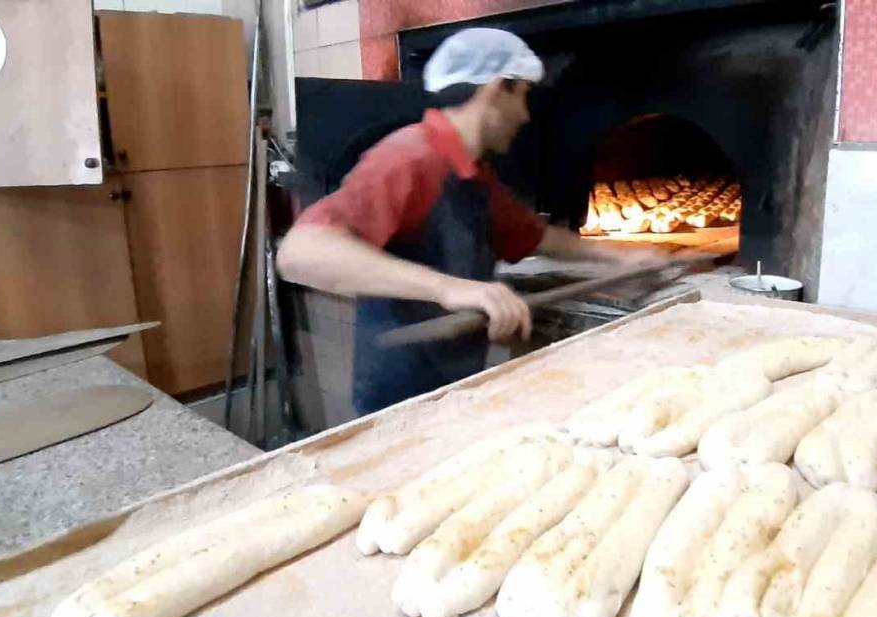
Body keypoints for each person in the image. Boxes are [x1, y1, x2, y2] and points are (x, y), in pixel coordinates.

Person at [278, 28, 665, 416]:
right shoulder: (410, 157)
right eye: (524, 97)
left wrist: (620, 257)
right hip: (400, 397)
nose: (526, 115)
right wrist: (449, 289)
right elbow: (302, 252)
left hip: (455, 385)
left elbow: (536, 237)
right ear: (497, 89)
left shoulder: (473, 174)